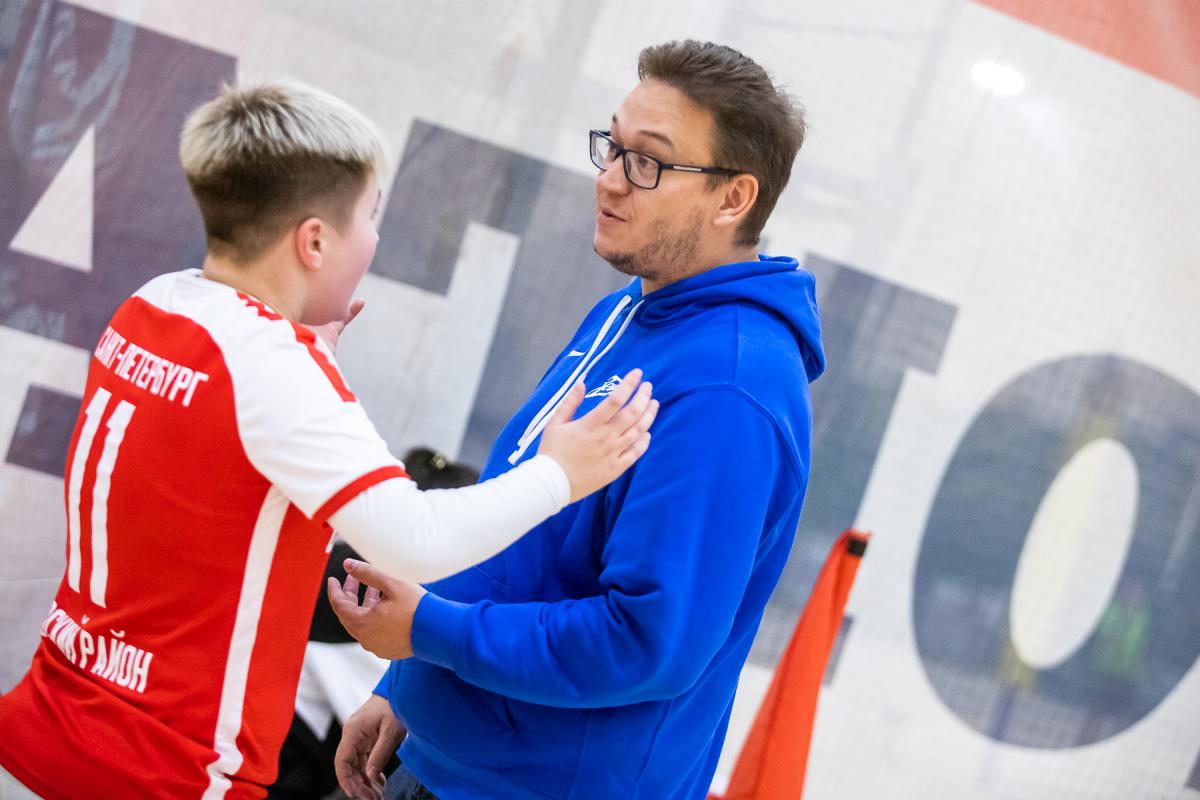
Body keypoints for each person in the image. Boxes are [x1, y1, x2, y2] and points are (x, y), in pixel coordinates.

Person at [0, 81, 657, 800]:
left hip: (48, 723)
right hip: (158, 769)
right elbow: (416, 541)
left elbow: (213, 476)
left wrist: (310, 367)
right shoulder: (274, 369)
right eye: (370, 217)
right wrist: (560, 474)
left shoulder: (154, 303)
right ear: (314, 241)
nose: (375, 238)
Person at [331, 39, 825, 800]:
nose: (610, 178)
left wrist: (430, 632)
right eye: (613, 146)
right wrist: (409, 683)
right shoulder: (629, 307)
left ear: (733, 199)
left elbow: (646, 642)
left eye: (648, 162)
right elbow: (521, 539)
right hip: (449, 758)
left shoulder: (729, 389)